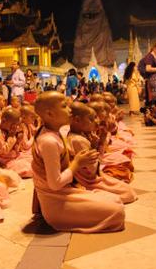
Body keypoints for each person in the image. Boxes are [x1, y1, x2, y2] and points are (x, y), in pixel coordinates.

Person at [32, 91, 126, 233]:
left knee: (116, 199)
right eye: (64, 106)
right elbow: (54, 183)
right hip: (56, 203)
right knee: (117, 212)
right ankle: (60, 217)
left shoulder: (55, 133)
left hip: (65, 192)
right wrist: (77, 163)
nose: (70, 109)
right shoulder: (49, 141)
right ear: (50, 114)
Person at [67, 102, 137, 202]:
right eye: (91, 119)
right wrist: (97, 145)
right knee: (127, 192)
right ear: (77, 120)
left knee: (125, 165)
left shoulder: (81, 134)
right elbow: (92, 169)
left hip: (93, 174)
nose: (96, 121)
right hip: (89, 180)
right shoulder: (78, 140)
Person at [0, 108, 33, 178]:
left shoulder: (8, 131)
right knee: (28, 169)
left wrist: (18, 141)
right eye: (13, 124)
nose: (15, 127)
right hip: (5, 161)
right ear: (4, 121)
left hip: (14, 157)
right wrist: (11, 136)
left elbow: (16, 149)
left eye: (17, 125)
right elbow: (4, 151)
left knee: (32, 159)